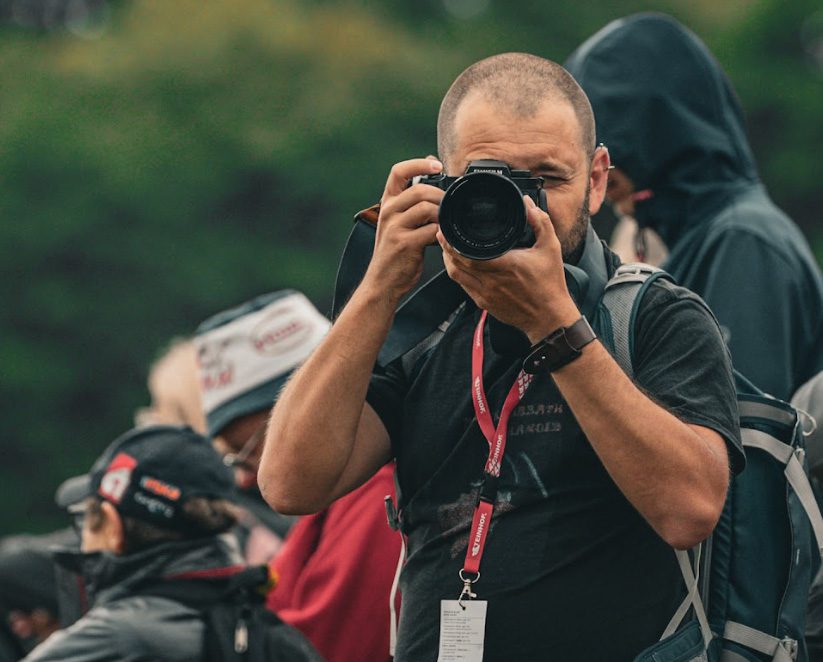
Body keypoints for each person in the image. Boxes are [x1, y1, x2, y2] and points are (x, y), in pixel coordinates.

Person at [257, 52, 743, 660]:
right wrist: (380, 286)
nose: (524, 206)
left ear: (596, 181)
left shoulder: (655, 317)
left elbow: (691, 510)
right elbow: (290, 483)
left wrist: (554, 324)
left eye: (548, 178)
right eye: (492, 180)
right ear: (441, 184)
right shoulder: (426, 332)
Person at [564, 12, 823, 401]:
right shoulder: (702, 238)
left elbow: (741, 439)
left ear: (654, 136)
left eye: (610, 170)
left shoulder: (744, 243)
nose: (596, 185)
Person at [196, 290, 402, 662]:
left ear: (307, 407)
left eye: (252, 448)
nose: (244, 480)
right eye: (234, 458)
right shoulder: (335, 498)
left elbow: (330, 646)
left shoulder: (376, 491)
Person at [23, 425, 317, 661]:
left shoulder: (115, 639)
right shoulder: (274, 635)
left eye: (85, 519)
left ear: (112, 528)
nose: (82, 537)